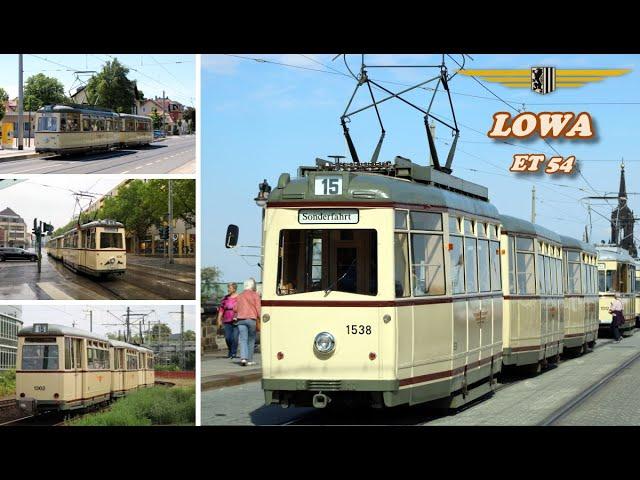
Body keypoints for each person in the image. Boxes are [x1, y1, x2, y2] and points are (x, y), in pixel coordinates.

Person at [234, 277, 261, 367]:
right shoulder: (255, 295)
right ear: (252, 286)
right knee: (251, 340)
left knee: (243, 339)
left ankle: (243, 358)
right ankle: (249, 360)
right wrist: (260, 317)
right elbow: (258, 308)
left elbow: (235, 308)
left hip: (241, 319)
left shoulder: (239, 295)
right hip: (251, 319)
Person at [216, 283, 239, 359]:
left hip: (237, 320)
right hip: (227, 320)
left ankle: (233, 353)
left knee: (235, 338)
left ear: (234, 289)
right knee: (228, 338)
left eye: (230, 288)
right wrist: (219, 319)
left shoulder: (239, 298)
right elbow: (221, 310)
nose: (228, 289)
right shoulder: (225, 298)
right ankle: (230, 350)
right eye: (228, 288)